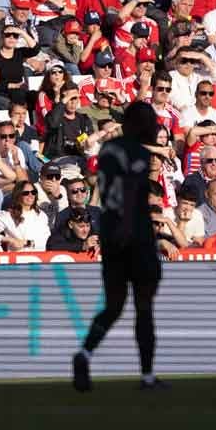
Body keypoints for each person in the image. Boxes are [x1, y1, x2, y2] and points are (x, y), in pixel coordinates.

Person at [73, 102, 166, 392]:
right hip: (134, 235)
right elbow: (129, 190)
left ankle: (84, 353)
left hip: (110, 233)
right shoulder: (136, 152)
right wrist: (131, 231)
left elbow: (107, 189)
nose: (153, 125)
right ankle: (147, 376)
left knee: (113, 306)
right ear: (137, 123)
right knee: (143, 306)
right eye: (149, 120)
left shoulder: (108, 150)